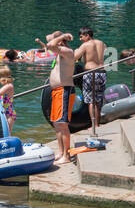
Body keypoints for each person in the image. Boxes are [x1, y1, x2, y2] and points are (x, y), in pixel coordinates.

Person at [43, 30, 77, 163]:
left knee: (62, 124)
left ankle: (67, 157)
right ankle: (61, 152)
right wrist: (60, 36)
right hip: (57, 91)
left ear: (61, 42)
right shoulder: (59, 52)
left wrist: (62, 36)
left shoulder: (67, 52)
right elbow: (49, 40)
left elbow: (50, 45)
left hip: (64, 90)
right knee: (57, 124)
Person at [75, 26, 108, 137]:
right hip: (102, 73)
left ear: (87, 35)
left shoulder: (85, 45)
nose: (80, 39)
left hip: (90, 72)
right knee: (98, 100)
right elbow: (107, 52)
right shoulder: (102, 43)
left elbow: (75, 56)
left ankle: (94, 125)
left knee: (91, 100)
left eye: (81, 37)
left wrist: (77, 52)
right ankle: (98, 124)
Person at [0, 65, 16, 131]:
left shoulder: (9, 86)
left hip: (9, 114)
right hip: (4, 113)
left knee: (7, 134)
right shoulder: (5, 86)